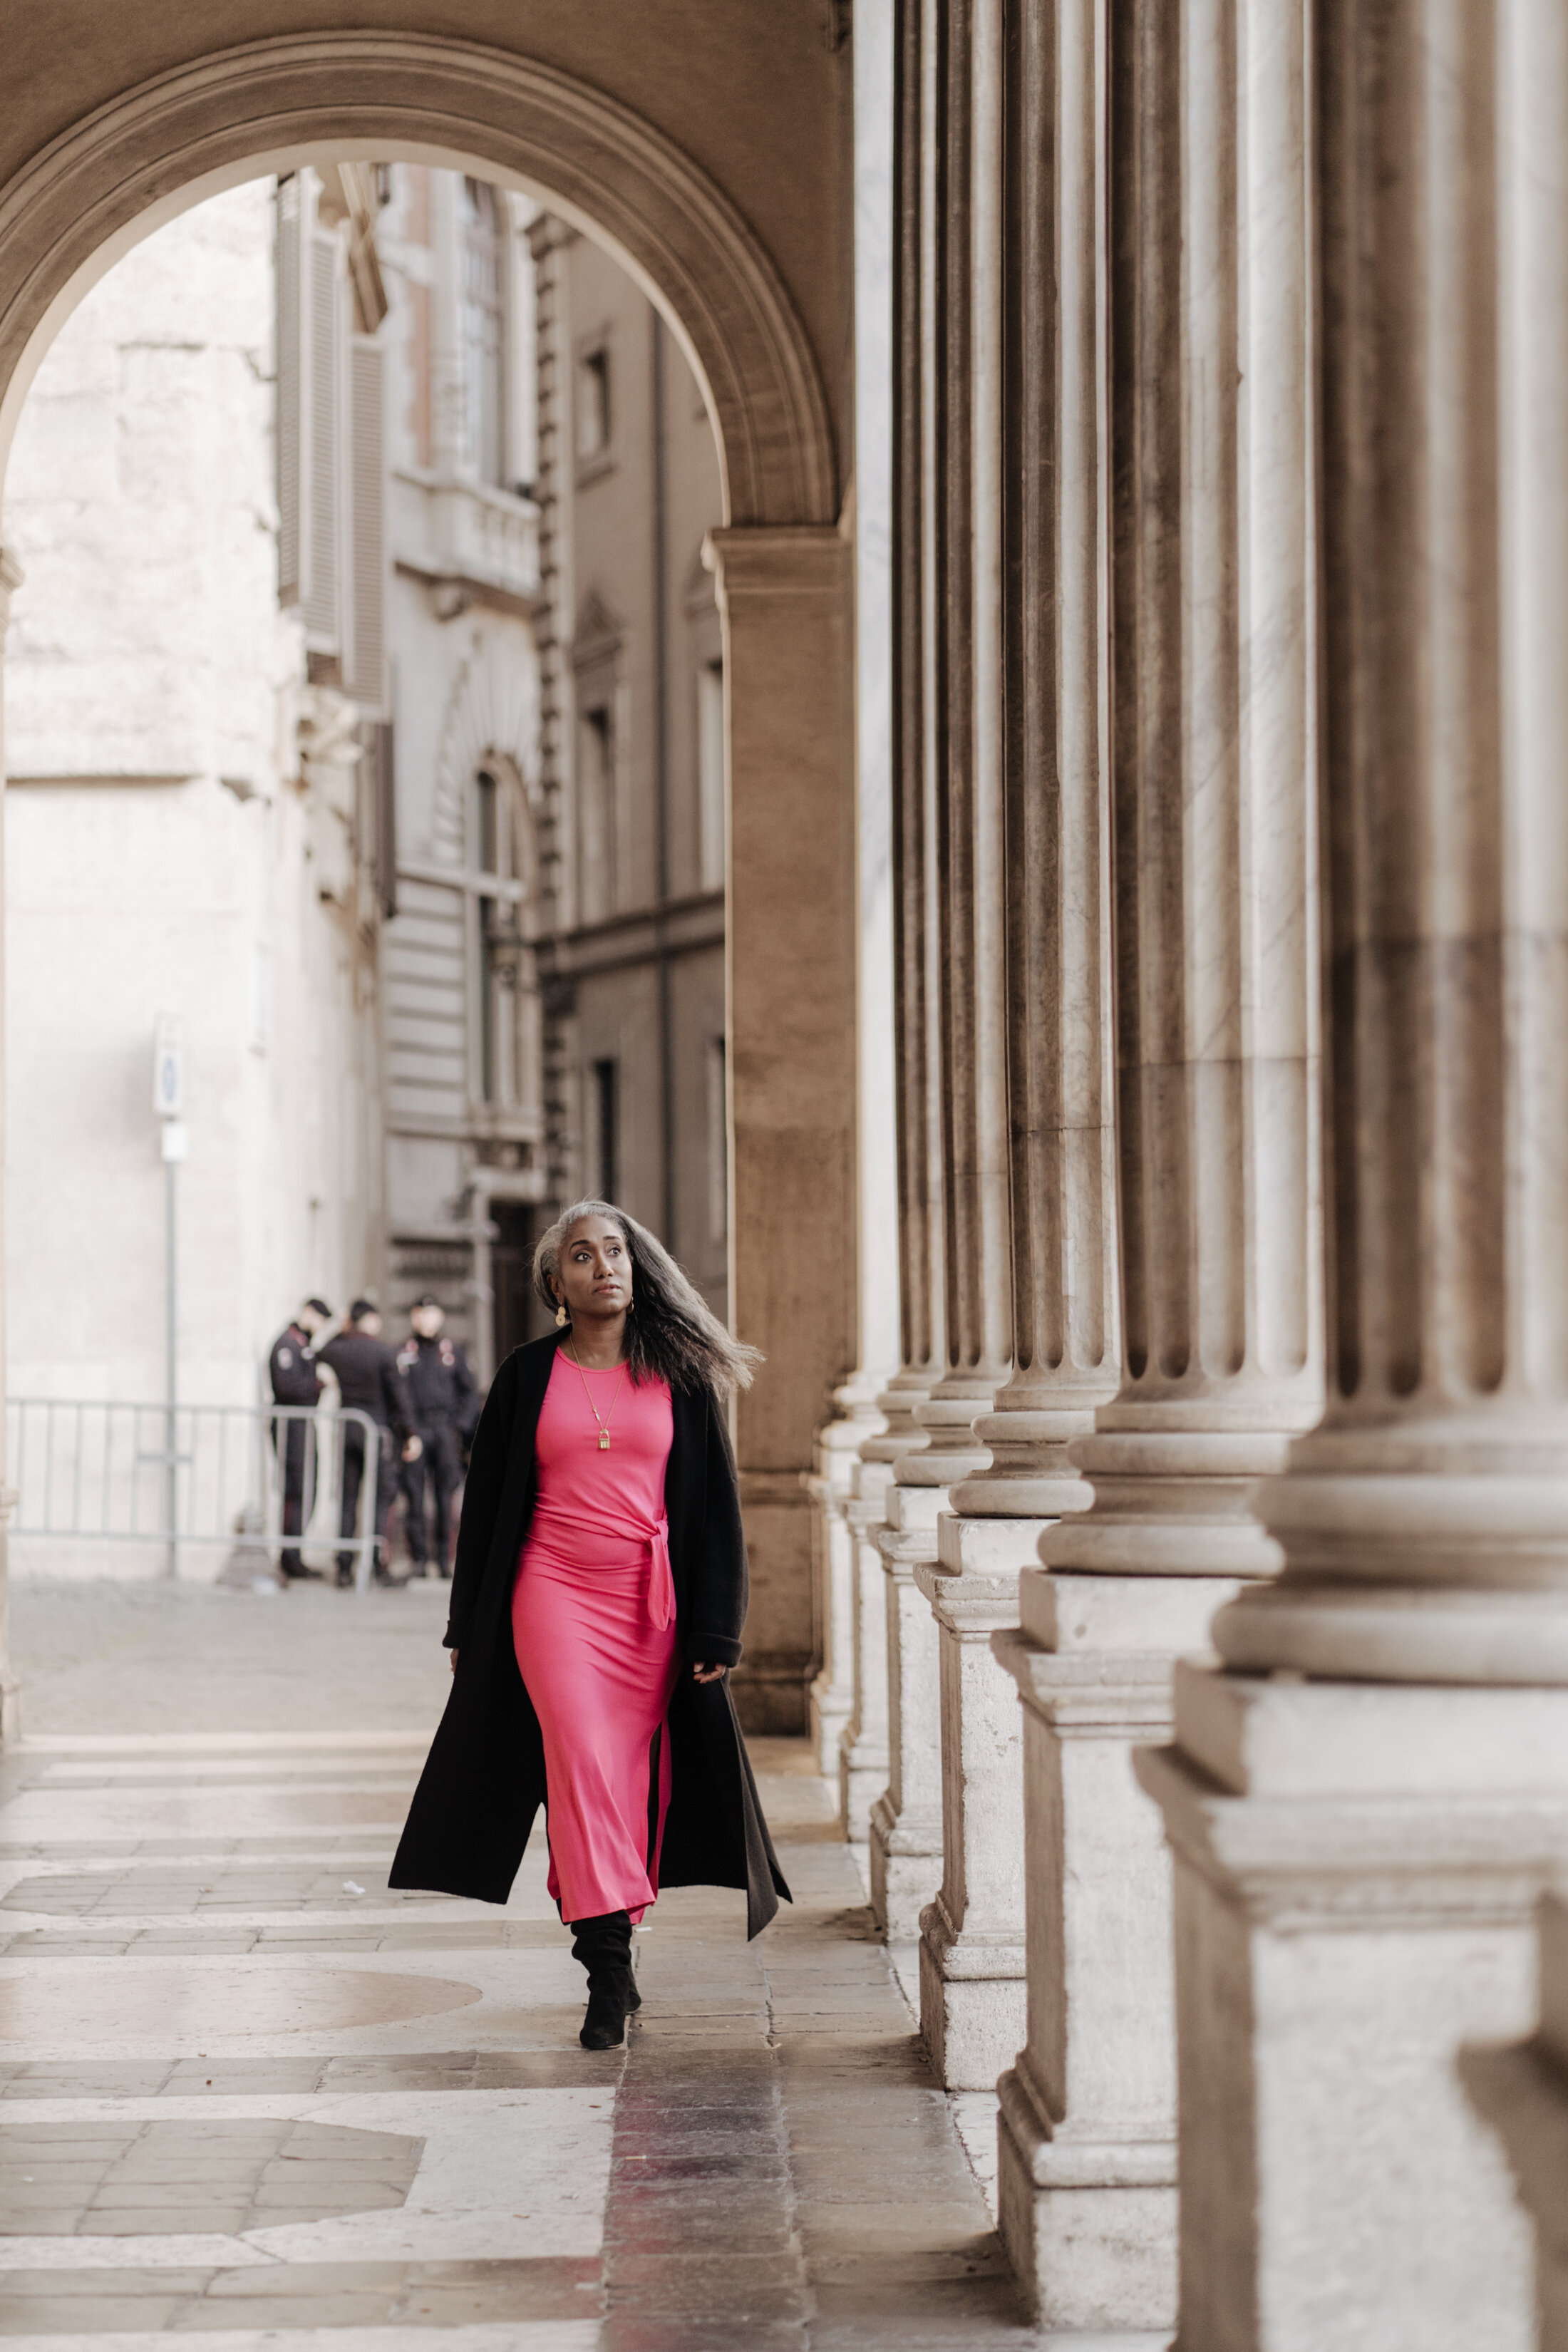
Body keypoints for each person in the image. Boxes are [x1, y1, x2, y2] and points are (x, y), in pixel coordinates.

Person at [391, 1199, 790, 2051]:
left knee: (627, 1779)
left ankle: (613, 1929)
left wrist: (717, 1627)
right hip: (551, 1593)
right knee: (577, 1761)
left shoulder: (680, 1373)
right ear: (555, 1283)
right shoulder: (525, 1376)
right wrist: (467, 1625)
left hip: (650, 1604)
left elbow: (715, 1508)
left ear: (637, 1270)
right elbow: (486, 1509)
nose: (603, 1265)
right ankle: (606, 1967)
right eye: (582, 1254)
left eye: (615, 1251)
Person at [318, 1301, 417, 1589]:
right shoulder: (383, 1351)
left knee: (348, 1499)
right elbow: (398, 1396)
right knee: (381, 1499)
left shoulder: (338, 1349)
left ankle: (344, 1566)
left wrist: (342, 1328)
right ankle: (376, 1563)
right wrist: (409, 1433)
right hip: (377, 1432)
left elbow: (320, 1350)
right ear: (371, 1320)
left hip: (347, 1430)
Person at [396, 1296, 478, 1579]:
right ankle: (419, 1559)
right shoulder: (403, 1353)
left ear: (440, 1317)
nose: (426, 1320)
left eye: (431, 1314)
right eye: (421, 1314)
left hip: (445, 1430)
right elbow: (397, 1394)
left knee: (445, 1496)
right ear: (413, 1318)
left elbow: (469, 1393)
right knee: (414, 1496)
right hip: (415, 1430)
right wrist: (406, 1429)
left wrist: (459, 1427)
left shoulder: (453, 1352)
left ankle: (444, 1558)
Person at [268, 1297, 330, 1580]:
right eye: (320, 1320)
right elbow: (287, 1387)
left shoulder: (303, 1344)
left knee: (307, 1488)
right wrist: (318, 1383)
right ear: (308, 1313)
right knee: (297, 1488)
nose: (320, 1327)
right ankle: (289, 1557)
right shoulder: (287, 1344)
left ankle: (295, 1553)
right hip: (291, 1424)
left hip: (303, 1423)